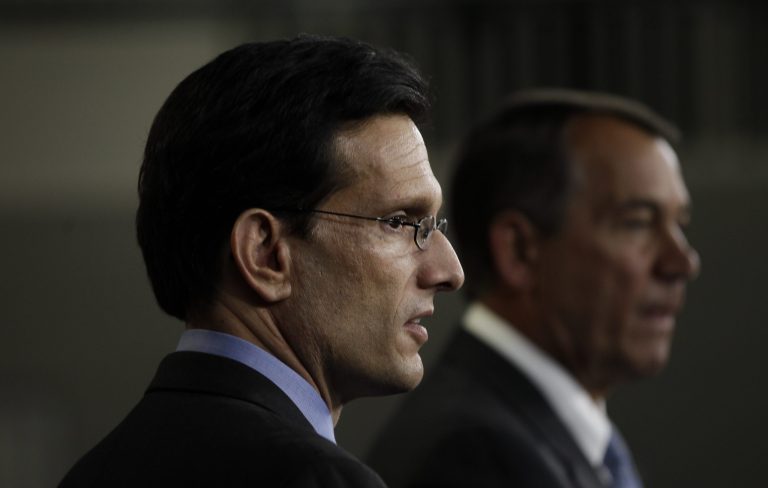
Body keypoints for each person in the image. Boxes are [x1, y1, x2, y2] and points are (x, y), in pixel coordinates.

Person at [59, 35, 464, 487]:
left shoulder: (93, 472)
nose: (449, 271)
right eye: (398, 222)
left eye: (434, 225)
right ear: (264, 254)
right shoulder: (318, 479)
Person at [366, 88, 700, 488]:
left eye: (679, 223)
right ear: (520, 252)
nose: (682, 263)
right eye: (638, 222)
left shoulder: (547, 436)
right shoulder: (475, 458)